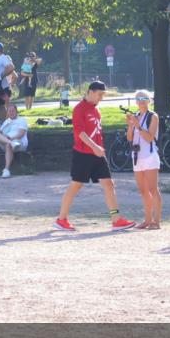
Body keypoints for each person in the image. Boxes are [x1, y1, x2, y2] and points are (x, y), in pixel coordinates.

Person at [53, 81, 136, 232]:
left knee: (109, 184)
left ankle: (116, 219)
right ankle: (61, 219)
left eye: (103, 95)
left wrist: (98, 148)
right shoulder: (79, 109)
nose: (101, 98)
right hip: (83, 154)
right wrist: (95, 147)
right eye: (99, 94)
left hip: (97, 154)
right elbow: (80, 132)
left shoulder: (96, 110)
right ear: (90, 92)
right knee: (76, 185)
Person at [125, 90, 162, 229]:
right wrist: (130, 124)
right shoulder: (135, 116)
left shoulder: (153, 116)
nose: (141, 100)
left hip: (150, 156)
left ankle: (156, 221)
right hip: (137, 157)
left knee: (153, 189)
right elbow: (129, 138)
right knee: (143, 190)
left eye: (144, 98)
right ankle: (147, 220)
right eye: (138, 98)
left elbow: (150, 137)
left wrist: (138, 125)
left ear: (148, 100)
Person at [0, 103, 29, 178]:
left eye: (13, 111)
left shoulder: (22, 120)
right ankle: (11, 143)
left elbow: (21, 134)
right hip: (9, 142)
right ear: (7, 112)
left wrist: (10, 138)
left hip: (19, 143)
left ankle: (6, 169)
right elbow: (1, 133)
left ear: (16, 111)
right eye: (9, 111)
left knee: (8, 145)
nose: (11, 113)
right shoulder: (6, 121)